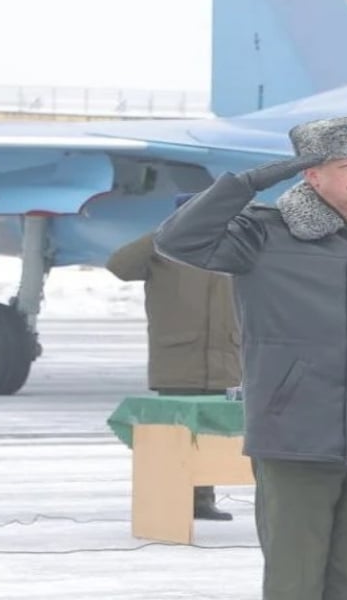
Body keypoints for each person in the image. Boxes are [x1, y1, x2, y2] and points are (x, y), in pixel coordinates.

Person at [153, 116, 347, 600]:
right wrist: (245, 184)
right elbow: (176, 240)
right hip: (295, 436)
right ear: (311, 174)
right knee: (293, 582)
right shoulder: (263, 233)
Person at [105, 193, 241, 522]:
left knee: (211, 434)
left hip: (226, 358)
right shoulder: (163, 251)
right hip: (179, 359)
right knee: (175, 434)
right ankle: (171, 498)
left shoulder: (234, 250)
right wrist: (162, 234)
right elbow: (119, 266)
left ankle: (201, 500)